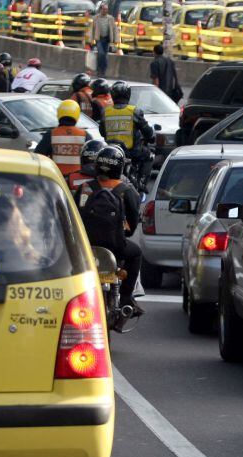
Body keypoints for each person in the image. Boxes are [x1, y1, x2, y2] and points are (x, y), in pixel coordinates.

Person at [75, 145, 144, 314]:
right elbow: (132, 225)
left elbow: (74, 215)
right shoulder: (126, 191)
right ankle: (127, 298)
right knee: (136, 254)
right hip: (116, 246)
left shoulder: (85, 188)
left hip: (86, 247)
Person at [104, 81, 155, 186]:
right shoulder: (134, 111)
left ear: (113, 95)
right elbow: (147, 131)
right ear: (128, 95)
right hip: (131, 153)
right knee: (150, 154)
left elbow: (102, 131)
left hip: (110, 152)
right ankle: (141, 182)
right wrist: (150, 137)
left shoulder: (106, 112)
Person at [35, 100, 89, 189]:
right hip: (78, 183)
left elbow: (38, 157)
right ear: (77, 115)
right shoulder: (85, 135)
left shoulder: (51, 134)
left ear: (59, 114)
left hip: (57, 181)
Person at [90, 4, 119, 77]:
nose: (105, 11)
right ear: (101, 10)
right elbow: (92, 29)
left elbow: (114, 29)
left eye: (106, 9)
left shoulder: (110, 18)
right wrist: (91, 39)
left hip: (107, 39)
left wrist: (116, 39)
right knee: (101, 54)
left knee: (105, 56)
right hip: (99, 39)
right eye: (103, 9)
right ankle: (99, 70)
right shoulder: (96, 18)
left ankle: (103, 71)